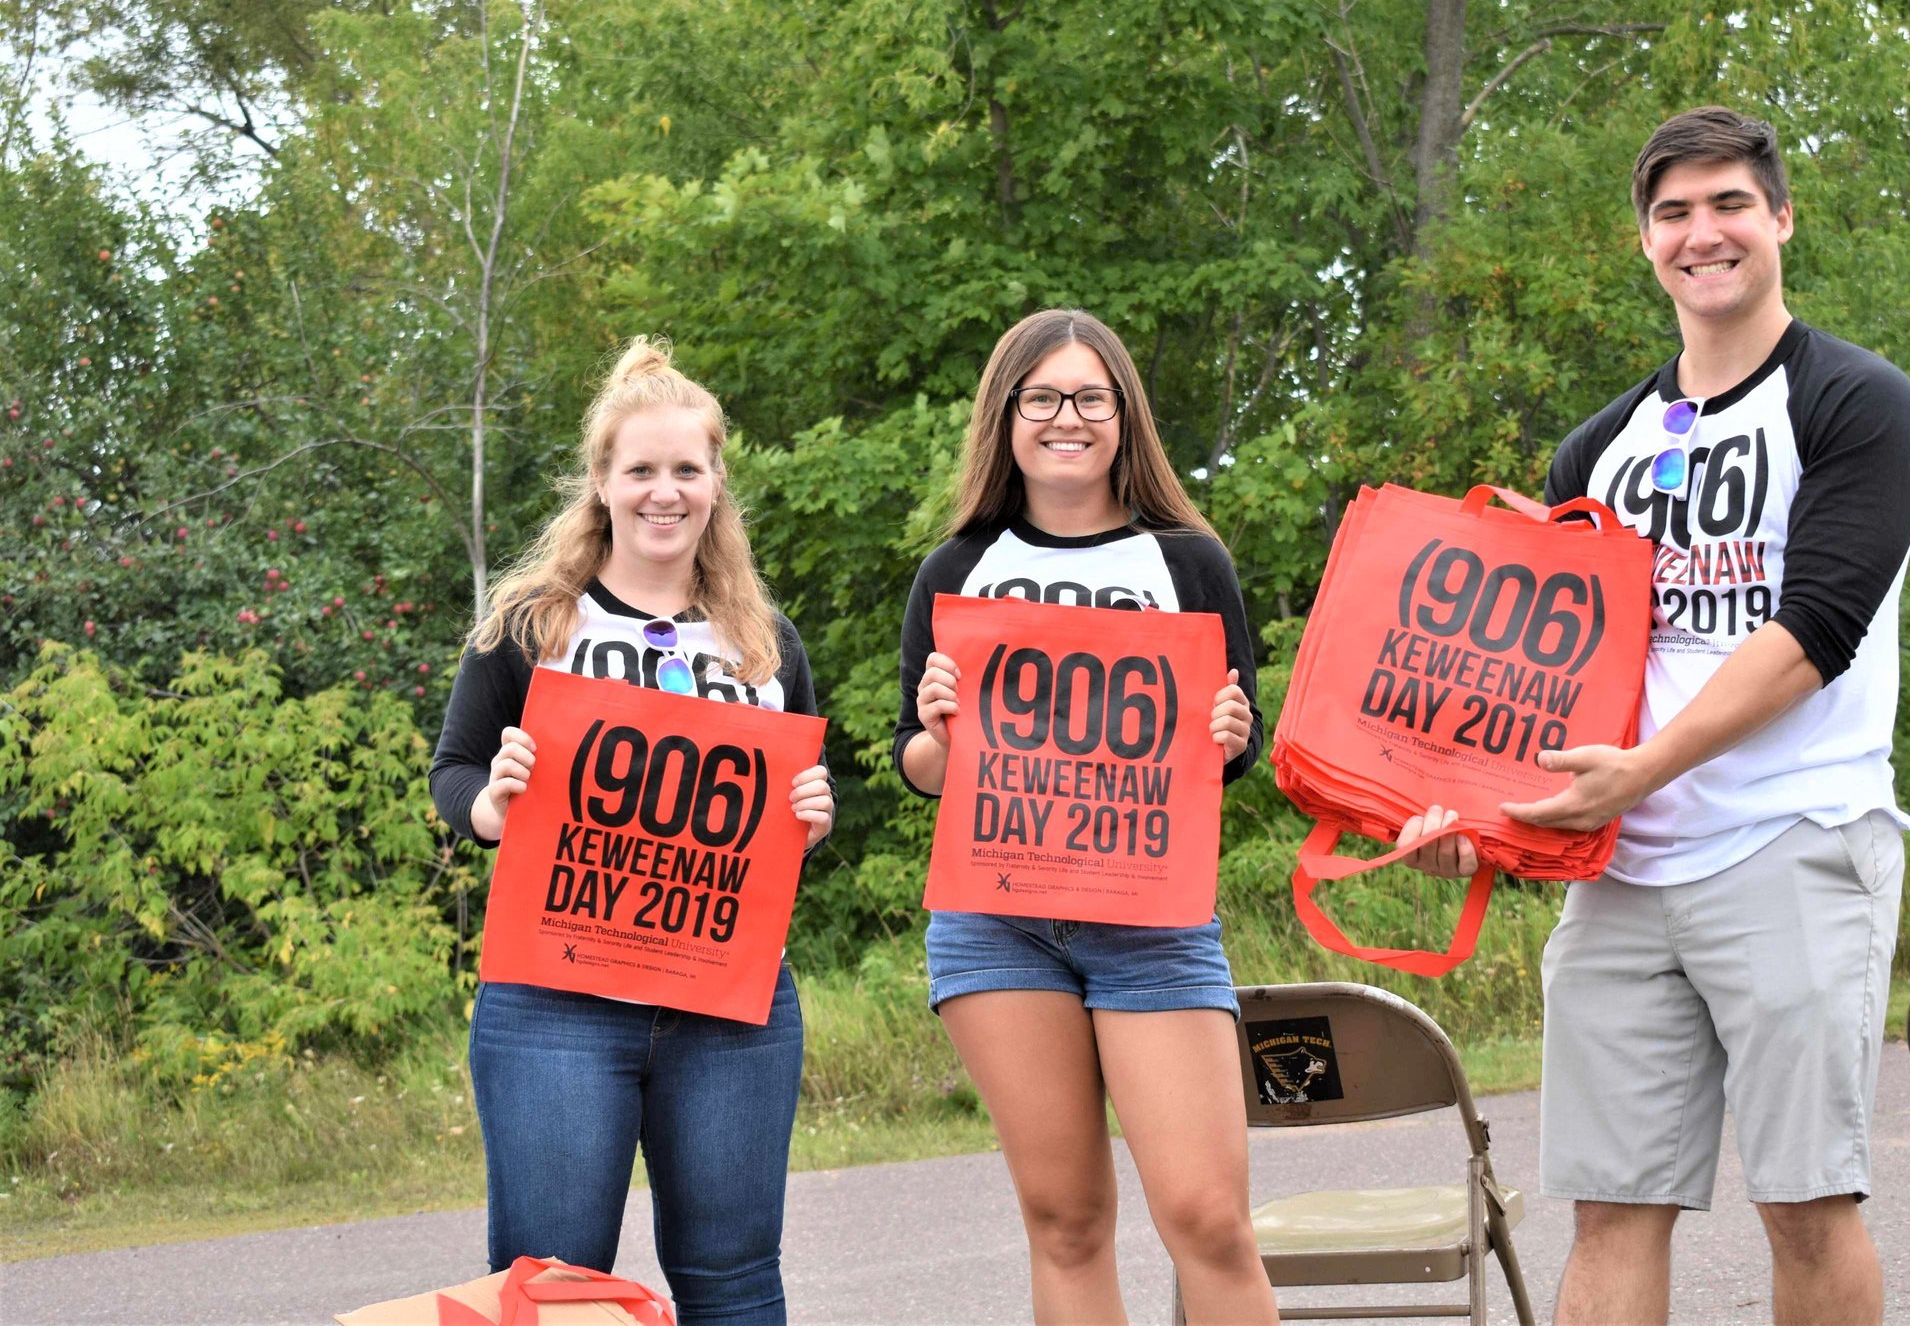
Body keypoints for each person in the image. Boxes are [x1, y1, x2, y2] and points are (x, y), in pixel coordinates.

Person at [1398, 107, 1910, 1324]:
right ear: (1645, 242)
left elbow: (1814, 633)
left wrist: (1639, 770)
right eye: (1676, 212)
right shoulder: (1598, 450)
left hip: (1794, 839)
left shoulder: (1857, 401)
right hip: (1622, 872)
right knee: (1613, 1204)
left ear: (1781, 217)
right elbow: (1549, 675)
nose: (1705, 233)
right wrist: (1490, 818)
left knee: (1806, 1201)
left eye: (1731, 203)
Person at [428, 338, 834, 1326]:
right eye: (641, 469)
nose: (665, 490)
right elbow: (456, 772)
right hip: (557, 999)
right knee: (555, 1288)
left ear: (716, 482)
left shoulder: (764, 643)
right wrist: (493, 804)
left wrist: (810, 821)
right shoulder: (531, 624)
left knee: (735, 1282)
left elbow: (786, 817)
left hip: (730, 1006)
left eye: (686, 469)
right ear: (602, 482)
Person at [893, 308, 1279, 1325]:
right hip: (998, 924)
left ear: (1123, 415)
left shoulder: (1191, 562)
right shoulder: (954, 568)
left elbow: (1235, 756)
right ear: (1008, 416)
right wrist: (937, 727)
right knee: (1065, 1218)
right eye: (1044, 398)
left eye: (1090, 397)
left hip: (1153, 918)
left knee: (1209, 1220)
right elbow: (921, 769)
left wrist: (1230, 730)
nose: (1068, 417)